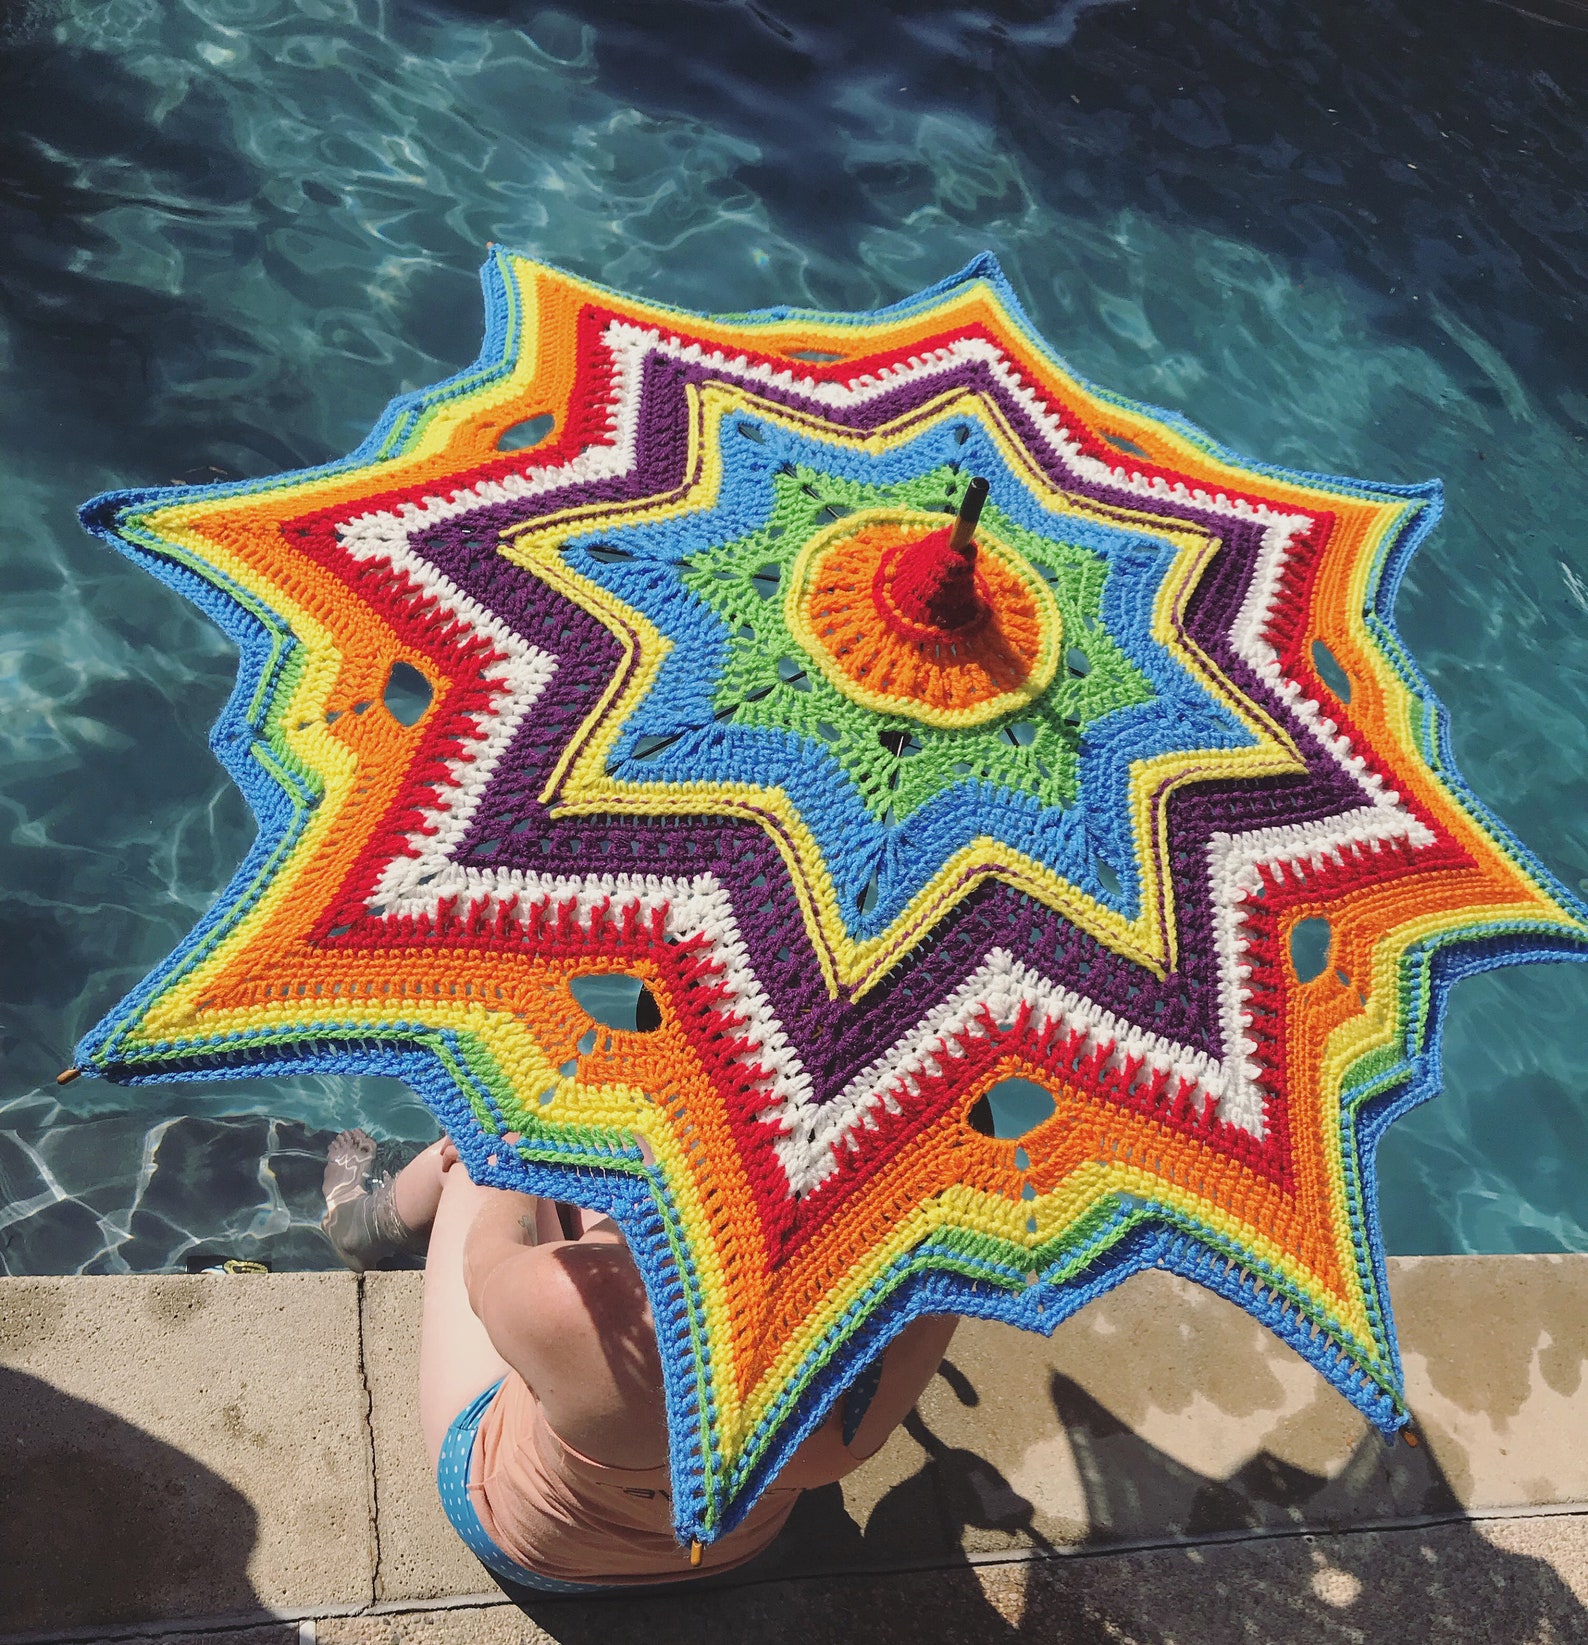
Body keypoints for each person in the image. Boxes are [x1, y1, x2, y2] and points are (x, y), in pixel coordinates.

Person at [323, 1129, 957, 1592]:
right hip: (733, 1551)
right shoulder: (917, 1304)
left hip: (532, 1548)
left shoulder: (583, 1303)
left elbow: (484, 1269)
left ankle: (356, 1227)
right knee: (613, 1164)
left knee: (474, 1160)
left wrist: (502, 1159)